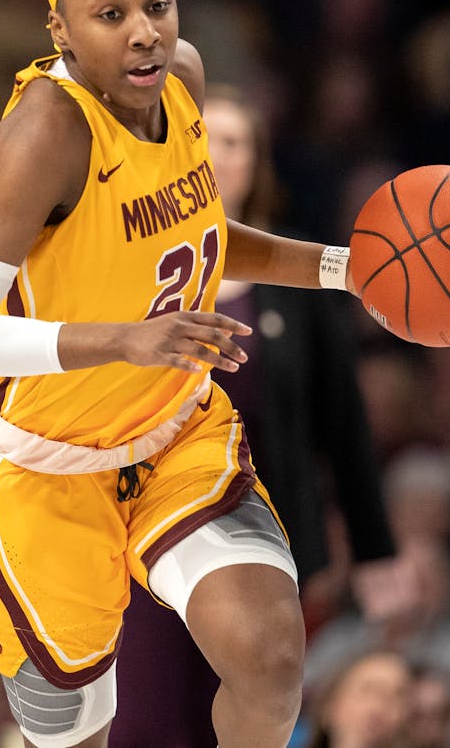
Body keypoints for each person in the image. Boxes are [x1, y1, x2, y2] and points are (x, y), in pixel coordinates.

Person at [0, 0, 359, 747]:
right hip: (46, 466)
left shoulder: (183, 81)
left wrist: (348, 269)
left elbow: (204, 234)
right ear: (62, 31)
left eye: (157, 3)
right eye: (110, 12)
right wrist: (127, 337)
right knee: (83, 732)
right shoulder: (46, 130)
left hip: (173, 434)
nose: (145, 30)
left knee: (272, 664)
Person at [112, 88, 399, 746]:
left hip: (269, 528)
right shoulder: (131, 262)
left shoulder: (300, 269)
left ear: (257, 162)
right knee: (149, 718)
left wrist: (376, 549)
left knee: (250, 712)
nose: (216, 154)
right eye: (202, 138)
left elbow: (343, 422)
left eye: (235, 141)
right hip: (146, 529)